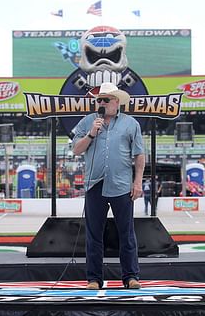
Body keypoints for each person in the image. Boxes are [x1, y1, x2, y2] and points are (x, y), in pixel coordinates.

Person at [72, 82, 145, 290]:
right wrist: (91, 134)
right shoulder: (88, 122)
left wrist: (138, 182)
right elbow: (76, 150)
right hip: (94, 184)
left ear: (116, 102)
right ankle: (94, 279)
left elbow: (139, 154)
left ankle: (131, 276)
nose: (101, 103)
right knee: (94, 235)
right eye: (99, 100)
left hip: (122, 185)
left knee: (126, 233)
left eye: (106, 100)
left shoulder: (131, 124)